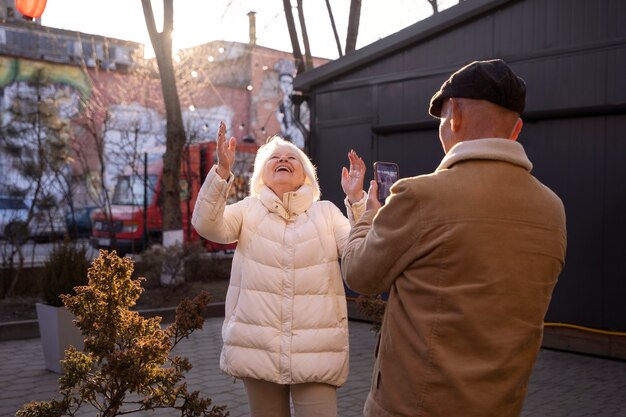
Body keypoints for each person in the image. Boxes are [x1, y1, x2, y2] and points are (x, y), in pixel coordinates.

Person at [341, 59, 567, 417]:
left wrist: (368, 212)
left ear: (455, 115)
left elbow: (359, 274)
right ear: (517, 128)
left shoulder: (421, 196)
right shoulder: (552, 209)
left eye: (442, 116)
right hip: (501, 404)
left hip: (414, 406)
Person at [192, 121, 366, 417]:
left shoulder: (325, 213)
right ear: (262, 175)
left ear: (306, 176)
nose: (283, 160)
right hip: (258, 346)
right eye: (275, 158)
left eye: (291, 158)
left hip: (317, 350)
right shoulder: (248, 210)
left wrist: (357, 201)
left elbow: (360, 255)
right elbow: (207, 225)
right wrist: (221, 172)